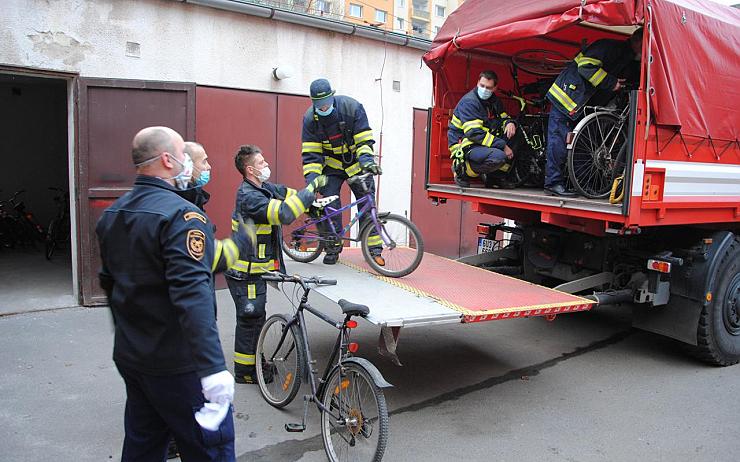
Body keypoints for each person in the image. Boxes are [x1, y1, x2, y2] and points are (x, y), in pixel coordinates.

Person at [96, 126, 250, 462]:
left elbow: (109, 284)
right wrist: (211, 369)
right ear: (167, 160)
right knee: (210, 448)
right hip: (178, 363)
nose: (188, 163)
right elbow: (191, 294)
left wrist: (130, 339)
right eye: (183, 156)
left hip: (133, 356)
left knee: (144, 445)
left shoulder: (113, 213)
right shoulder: (182, 216)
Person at [225, 144, 327, 384]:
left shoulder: (261, 188)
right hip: (245, 274)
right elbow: (283, 214)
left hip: (254, 271)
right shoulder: (249, 197)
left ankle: (252, 365)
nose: (266, 166)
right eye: (261, 163)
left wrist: (309, 203)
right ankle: (246, 373)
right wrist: (310, 191)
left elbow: (283, 192)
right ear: (250, 169)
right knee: (251, 321)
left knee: (256, 319)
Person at [544, 27, 643, 197]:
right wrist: (610, 83)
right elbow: (586, 66)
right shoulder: (609, 47)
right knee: (559, 141)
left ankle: (583, 184)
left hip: (584, 105)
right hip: (567, 99)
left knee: (583, 145)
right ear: (638, 41)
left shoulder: (628, 58)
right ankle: (553, 183)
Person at [300, 78, 384, 266]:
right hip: (332, 168)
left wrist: (367, 162)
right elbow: (311, 155)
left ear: (332, 96)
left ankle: (374, 250)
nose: (323, 108)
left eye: (326, 103)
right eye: (319, 105)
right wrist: (312, 181)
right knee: (331, 205)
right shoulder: (309, 120)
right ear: (313, 102)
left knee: (367, 205)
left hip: (356, 164)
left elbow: (364, 140)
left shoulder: (352, 108)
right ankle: (332, 248)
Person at [448, 70, 517, 188]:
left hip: (483, 140)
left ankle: (495, 177)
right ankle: (462, 169)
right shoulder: (469, 102)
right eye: (482, 86)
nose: (484, 90)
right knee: (499, 157)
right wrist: (503, 145)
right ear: (477, 83)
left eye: (488, 87)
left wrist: (510, 123)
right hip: (465, 143)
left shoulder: (493, 100)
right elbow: (474, 133)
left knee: (517, 132)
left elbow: (503, 117)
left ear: (495, 88)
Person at [182, 141, 212, 211]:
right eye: (204, 162)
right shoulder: (185, 202)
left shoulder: (195, 197)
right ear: (188, 165)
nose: (209, 167)